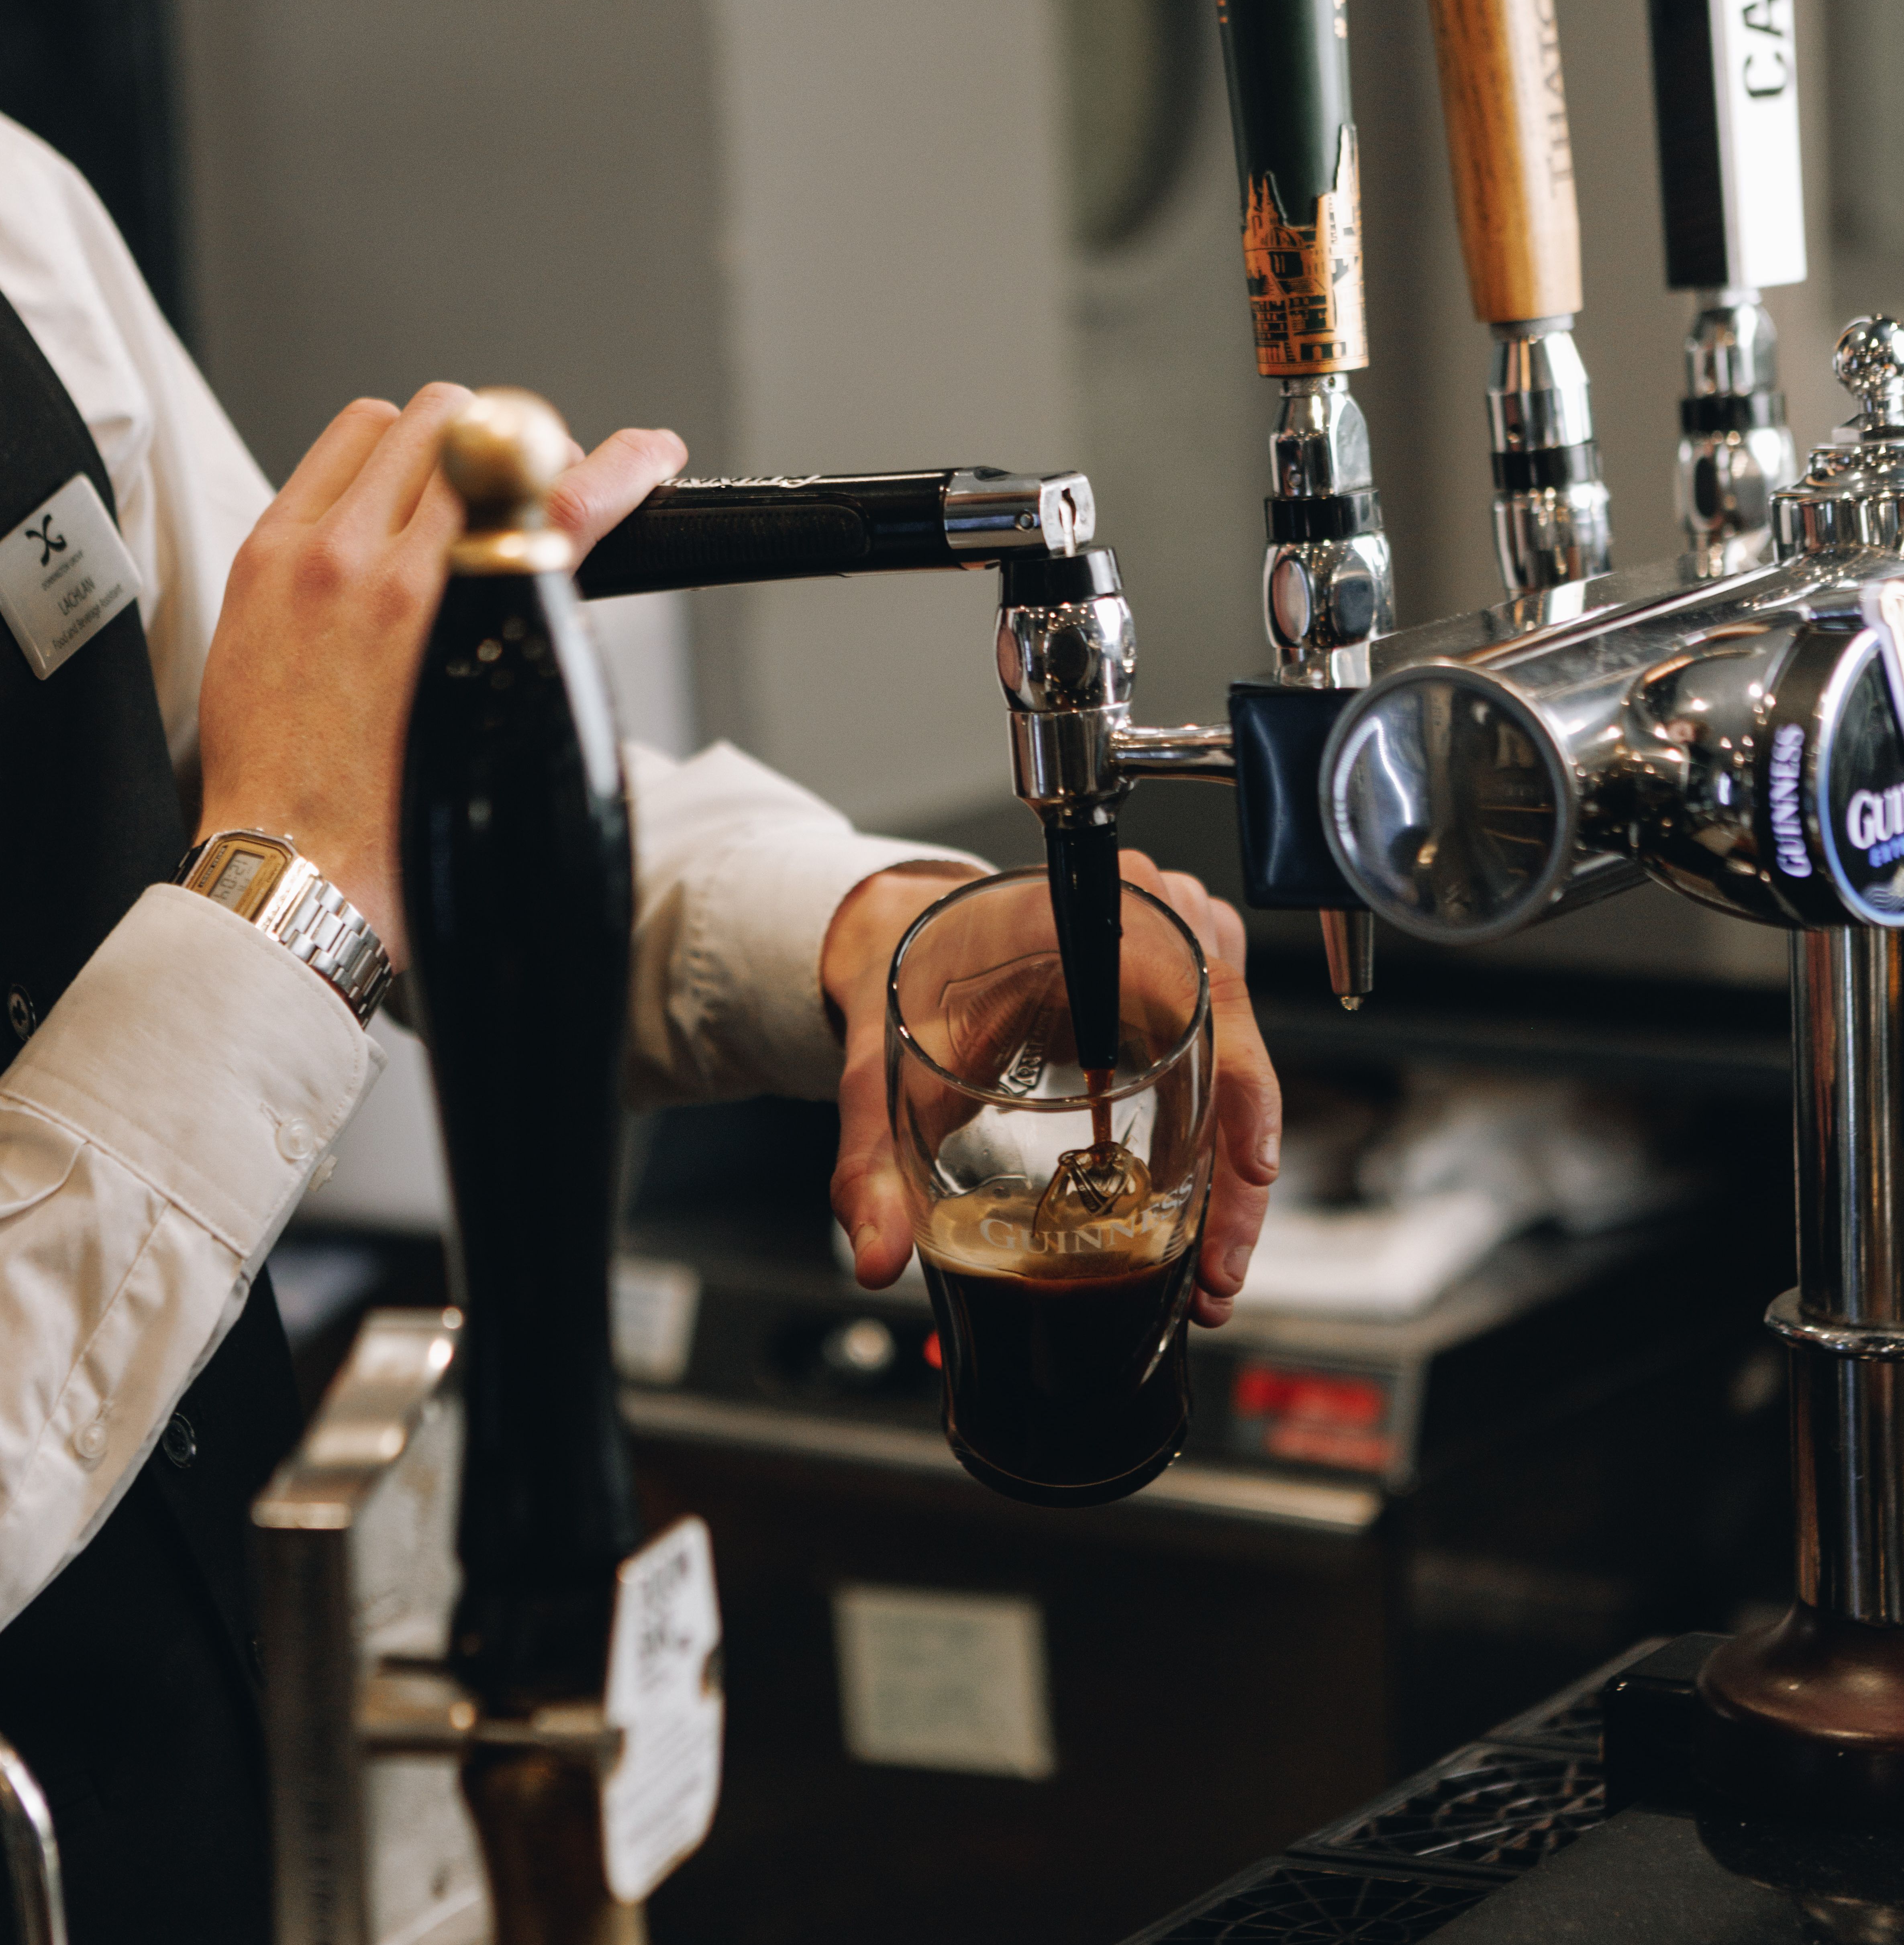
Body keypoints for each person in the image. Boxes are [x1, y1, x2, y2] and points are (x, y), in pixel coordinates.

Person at [0, 114, 1280, 1942]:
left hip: (235, 1798)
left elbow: (357, 778)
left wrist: (875, 933)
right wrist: (285, 897)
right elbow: (300, 856)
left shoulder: (15, 216)